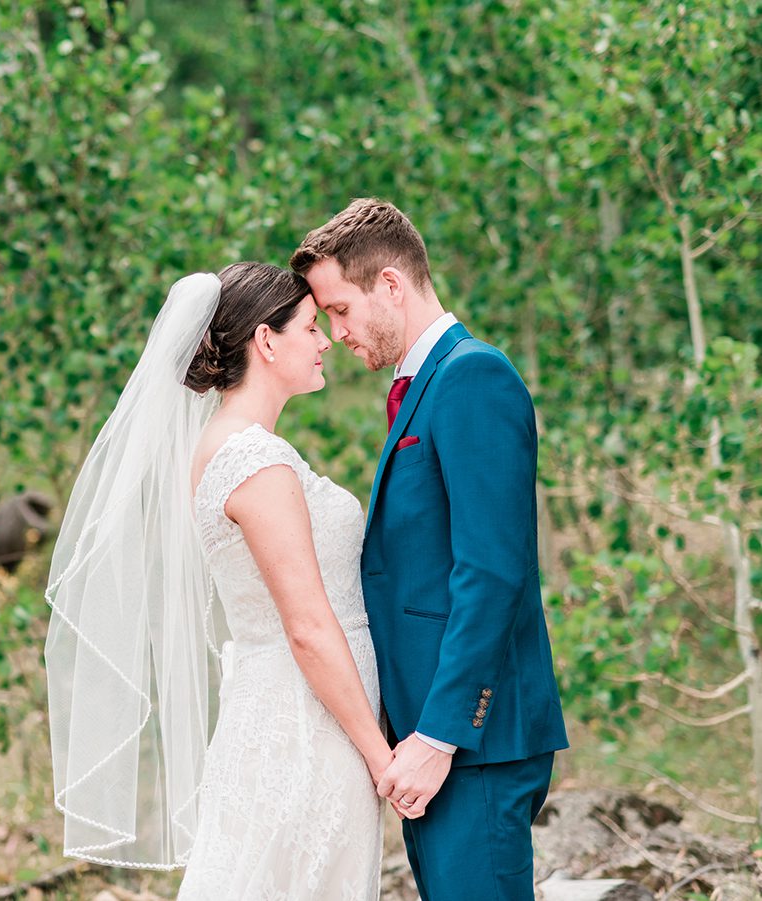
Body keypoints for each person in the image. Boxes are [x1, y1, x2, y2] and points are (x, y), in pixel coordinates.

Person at [45, 262, 385, 899]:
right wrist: (380, 755)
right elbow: (308, 626)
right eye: (311, 327)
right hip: (309, 729)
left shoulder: (233, 447)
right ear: (265, 340)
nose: (325, 342)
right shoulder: (254, 462)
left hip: (291, 714)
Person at [290, 198, 569, 901]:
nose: (336, 332)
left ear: (390, 285)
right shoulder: (421, 387)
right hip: (430, 743)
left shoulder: (474, 376)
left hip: (472, 742)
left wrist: (440, 734)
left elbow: (492, 570)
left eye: (342, 310)